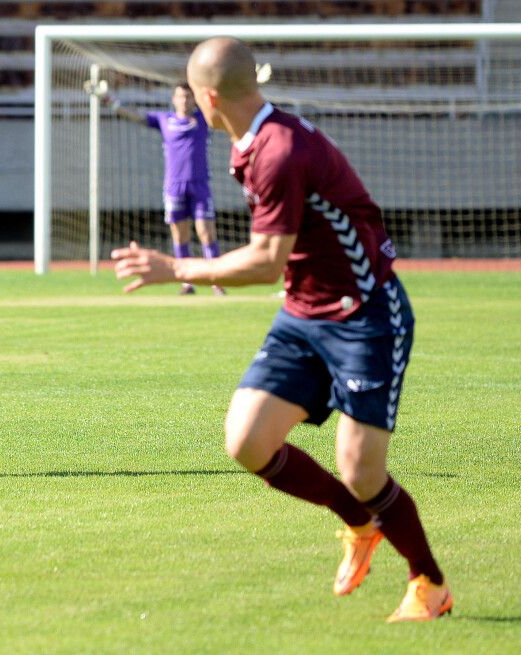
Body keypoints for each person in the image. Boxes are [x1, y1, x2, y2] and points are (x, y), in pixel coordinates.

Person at [111, 37, 451, 623]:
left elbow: (267, 260)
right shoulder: (253, 141)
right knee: (247, 441)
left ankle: (429, 583)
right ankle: (358, 520)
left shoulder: (278, 150)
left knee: (360, 469)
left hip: (366, 314)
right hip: (305, 313)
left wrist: (176, 268)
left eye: (194, 94)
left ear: (209, 97)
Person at [105, 83, 225, 295]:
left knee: (207, 233)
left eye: (188, 97)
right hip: (174, 186)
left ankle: (217, 282)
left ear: (194, 99)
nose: (185, 101)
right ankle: (187, 283)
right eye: (181, 96)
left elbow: (223, 109)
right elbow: (137, 116)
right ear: (174, 99)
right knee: (180, 236)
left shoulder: (204, 119)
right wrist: (111, 102)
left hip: (200, 185)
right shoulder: (164, 120)